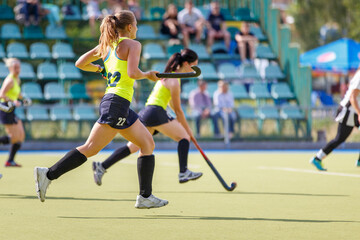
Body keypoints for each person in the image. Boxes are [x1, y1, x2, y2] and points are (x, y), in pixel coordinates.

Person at [34, 10, 168, 209]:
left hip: (116, 103)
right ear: (130, 27)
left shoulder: (107, 45)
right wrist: (148, 74)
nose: (137, 28)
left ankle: (145, 196)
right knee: (90, 148)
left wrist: (101, 69)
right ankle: (48, 174)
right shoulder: (133, 44)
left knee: (147, 143)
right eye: (136, 24)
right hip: (117, 104)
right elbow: (132, 72)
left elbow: (80, 63)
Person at [92, 48, 203, 186]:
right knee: (184, 137)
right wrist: (188, 131)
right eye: (193, 65)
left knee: (132, 147)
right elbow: (179, 111)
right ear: (186, 63)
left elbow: (171, 104)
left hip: (148, 111)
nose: (193, 69)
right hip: (155, 111)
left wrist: (183, 125)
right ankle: (183, 172)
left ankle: (101, 166)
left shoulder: (169, 76)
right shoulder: (174, 81)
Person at [310, 68, 360, 171]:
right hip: (349, 112)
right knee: (340, 139)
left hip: (354, 112)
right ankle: (317, 158)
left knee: (340, 138)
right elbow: (352, 98)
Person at [0, 58, 27, 167]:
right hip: (6, 109)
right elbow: (1, 95)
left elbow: (17, 93)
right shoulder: (10, 80)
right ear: (10, 68)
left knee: (21, 136)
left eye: (19, 67)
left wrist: (24, 98)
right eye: (15, 68)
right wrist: (13, 101)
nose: (17, 70)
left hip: (12, 109)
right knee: (14, 137)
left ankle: (10, 161)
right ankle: (9, 161)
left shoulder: (16, 79)